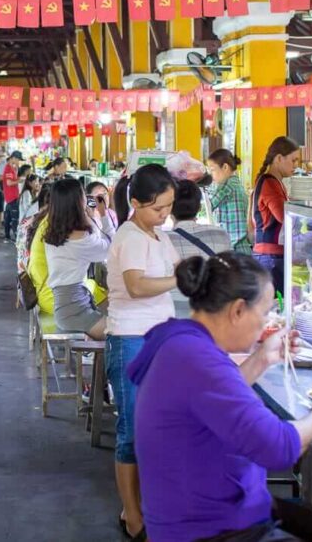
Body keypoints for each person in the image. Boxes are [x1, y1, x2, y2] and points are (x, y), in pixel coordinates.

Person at [129, 252, 312, 542]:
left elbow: (212, 399)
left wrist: (262, 358)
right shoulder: (198, 361)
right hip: (210, 529)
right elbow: (278, 448)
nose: (265, 325)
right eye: (263, 315)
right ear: (237, 311)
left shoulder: (179, 341)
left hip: (203, 514)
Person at [104, 164, 178, 540]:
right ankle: (133, 517)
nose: (164, 215)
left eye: (168, 207)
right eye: (157, 208)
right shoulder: (130, 236)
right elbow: (136, 286)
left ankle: (144, 505)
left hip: (158, 340)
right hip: (131, 339)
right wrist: (179, 279)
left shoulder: (159, 236)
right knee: (132, 431)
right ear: (135, 203)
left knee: (154, 429)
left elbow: (172, 272)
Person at [44, 177, 113, 339]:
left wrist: (89, 217)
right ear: (78, 201)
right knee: (124, 336)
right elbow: (110, 247)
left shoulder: (54, 230)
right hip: (75, 311)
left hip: (67, 306)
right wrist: (103, 214)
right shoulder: (79, 238)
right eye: (83, 195)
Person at [167, 180, 232, 319]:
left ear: (169, 207)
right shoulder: (221, 234)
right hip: (211, 312)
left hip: (173, 314)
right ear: (198, 207)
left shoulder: (162, 239)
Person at [253, 137, 301, 295]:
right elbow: (284, 217)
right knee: (275, 307)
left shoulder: (274, 182)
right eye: (293, 160)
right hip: (269, 257)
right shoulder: (270, 184)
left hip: (270, 255)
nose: (296, 165)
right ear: (279, 158)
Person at [205, 148, 251, 253]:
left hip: (236, 249)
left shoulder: (228, 186)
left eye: (212, 170)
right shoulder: (234, 183)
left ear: (225, 167)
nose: (211, 174)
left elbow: (209, 205)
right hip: (239, 247)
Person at [2, 150, 24, 241]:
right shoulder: (8, 168)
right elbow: (9, 183)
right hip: (12, 197)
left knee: (8, 218)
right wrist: (20, 180)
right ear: (13, 158)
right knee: (15, 218)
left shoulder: (11, 168)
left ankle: (7, 236)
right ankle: (16, 238)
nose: (19, 162)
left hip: (10, 197)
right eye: (18, 159)